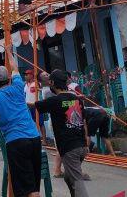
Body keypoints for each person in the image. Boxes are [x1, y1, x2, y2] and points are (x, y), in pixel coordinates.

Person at [0, 50, 41, 197]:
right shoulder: (17, 87)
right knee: (33, 186)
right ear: (8, 79)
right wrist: (8, 51)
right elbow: (15, 68)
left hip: (16, 143)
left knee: (27, 190)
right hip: (34, 138)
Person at [35, 69, 89, 197]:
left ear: (52, 83)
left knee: (77, 182)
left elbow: (35, 106)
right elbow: (84, 121)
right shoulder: (77, 99)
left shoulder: (55, 101)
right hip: (82, 146)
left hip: (69, 149)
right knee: (69, 178)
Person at [24, 70, 47, 144]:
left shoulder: (36, 83)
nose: (25, 76)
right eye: (25, 75)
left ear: (31, 75)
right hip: (28, 106)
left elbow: (42, 88)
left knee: (41, 123)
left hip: (36, 105)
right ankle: (33, 138)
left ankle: (44, 140)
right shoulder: (25, 85)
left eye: (27, 74)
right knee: (30, 123)